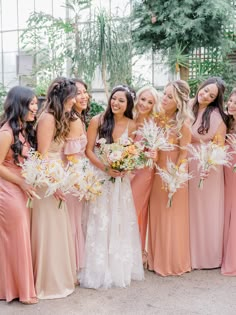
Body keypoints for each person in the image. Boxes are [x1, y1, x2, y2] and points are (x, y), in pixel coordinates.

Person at [80, 84, 144, 289]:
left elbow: (133, 152)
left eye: (121, 100)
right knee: (100, 219)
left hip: (121, 181)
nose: (115, 103)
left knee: (119, 220)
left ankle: (118, 266)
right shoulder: (97, 121)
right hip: (101, 177)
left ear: (128, 104)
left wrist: (126, 166)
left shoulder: (132, 125)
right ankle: (98, 267)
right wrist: (105, 168)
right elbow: (88, 151)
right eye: (113, 99)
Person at [31, 77, 77, 299]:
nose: (75, 100)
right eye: (73, 96)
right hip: (46, 181)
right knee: (49, 229)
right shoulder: (48, 118)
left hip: (57, 175)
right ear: (63, 97)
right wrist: (53, 184)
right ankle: (48, 282)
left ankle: (57, 278)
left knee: (57, 229)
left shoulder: (61, 117)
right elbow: (41, 156)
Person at [148, 80, 193, 276]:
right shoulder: (156, 119)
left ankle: (173, 262)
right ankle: (155, 259)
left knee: (172, 216)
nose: (164, 99)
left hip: (174, 175)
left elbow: (184, 155)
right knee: (157, 214)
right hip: (157, 173)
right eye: (164, 94)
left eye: (169, 97)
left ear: (179, 102)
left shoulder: (183, 125)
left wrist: (176, 178)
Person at [0, 86, 38, 304]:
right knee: (16, 239)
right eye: (31, 104)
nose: (35, 108)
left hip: (21, 188)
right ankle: (21, 290)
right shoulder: (6, 133)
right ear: (19, 105)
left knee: (17, 239)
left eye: (35, 103)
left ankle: (11, 288)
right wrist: (22, 182)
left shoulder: (23, 130)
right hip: (8, 190)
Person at [188, 77, 228, 269]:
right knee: (189, 210)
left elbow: (219, 146)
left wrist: (207, 165)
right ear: (200, 86)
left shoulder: (216, 117)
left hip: (206, 165)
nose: (205, 96)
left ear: (215, 100)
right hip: (185, 163)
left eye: (211, 95)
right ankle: (188, 254)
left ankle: (207, 257)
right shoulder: (187, 106)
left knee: (205, 210)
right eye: (205, 91)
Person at [131, 86, 160, 263]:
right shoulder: (128, 118)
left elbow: (155, 153)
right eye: (143, 99)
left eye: (150, 102)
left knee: (136, 210)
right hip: (124, 169)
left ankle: (137, 251)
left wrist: (152, 155)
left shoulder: (153, 124)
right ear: (137, 98)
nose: (145, 104)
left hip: (143, 172)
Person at [64, 78, 90, 275]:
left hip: (78, 173)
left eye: (84, 92)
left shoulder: (79, 118)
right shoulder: (73, 120)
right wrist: (82, 181)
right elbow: (72, 156)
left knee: (77, 220)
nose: (82, 96)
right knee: (73, 221)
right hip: (73, 176)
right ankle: (71, 267)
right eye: (77, 93)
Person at [222, 88, 236, 275]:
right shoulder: (225, 121)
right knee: (226, 210)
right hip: (225, 170)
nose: (232, 105)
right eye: (231, 101)